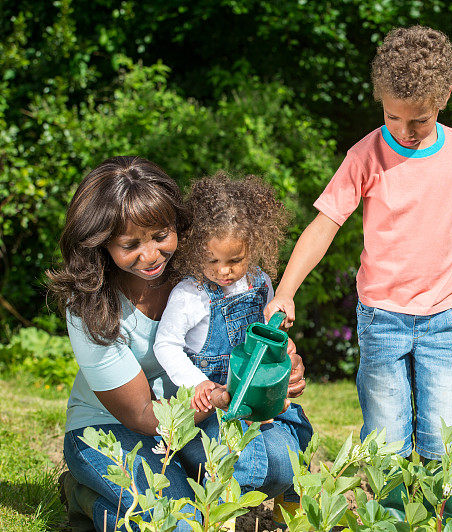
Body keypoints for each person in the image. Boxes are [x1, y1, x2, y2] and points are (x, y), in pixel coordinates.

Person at [264, 25, 452, 463]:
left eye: (419, 119)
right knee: (386, 444)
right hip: (382, 319)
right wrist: (285, 291)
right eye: (392, 117)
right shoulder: (365, 156)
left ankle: (449, 521)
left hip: (446, 317)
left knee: (448, 442)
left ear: (443, 97)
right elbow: (325, 224)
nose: (405, 130)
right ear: (380, 101)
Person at [48, 156, 312, 532]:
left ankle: (167, 482)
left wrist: (279, 364)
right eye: (130, 244)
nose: (151, 255)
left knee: (278, 466)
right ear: (101, 242)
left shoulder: (199, 269)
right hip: (114, 428)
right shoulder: (90, 305)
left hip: (195, 417)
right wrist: (220, 399)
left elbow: (246, 334)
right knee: (179, 524)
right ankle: (84, 496)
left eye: (160, 236)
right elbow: (141, 414)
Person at [154, 172, 290, 414]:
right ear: (196, 249)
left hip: (252, 391)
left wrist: (282, 346)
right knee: (229, 449)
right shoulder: (190, 294)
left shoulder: (259, 282)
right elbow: (166, 344)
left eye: (235, 260)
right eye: (212, 260)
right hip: (205, 402)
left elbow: (267, 333)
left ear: (254, 247)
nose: (223, 270)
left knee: (281, 445)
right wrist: (197, 383)